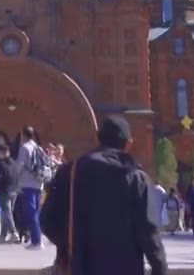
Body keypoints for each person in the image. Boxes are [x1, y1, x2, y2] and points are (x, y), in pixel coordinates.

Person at [40, 115, 167, 275]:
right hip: (126, 267)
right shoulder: (135, 177)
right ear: (129, 143)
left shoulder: (71, 171)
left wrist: (68, 245)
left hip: (81, 266)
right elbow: (148, 230)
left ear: (98, 138)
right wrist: (159, 267)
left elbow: (47, 220)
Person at [15, 126, 47, 250]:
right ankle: (37, 239)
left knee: (30, 212)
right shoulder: (39, 148)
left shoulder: (24, 148)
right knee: (36, 212)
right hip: (39, 183)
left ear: (23, 135)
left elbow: (19, 166)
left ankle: (37, 241)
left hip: (27, 183)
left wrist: (15, 175)